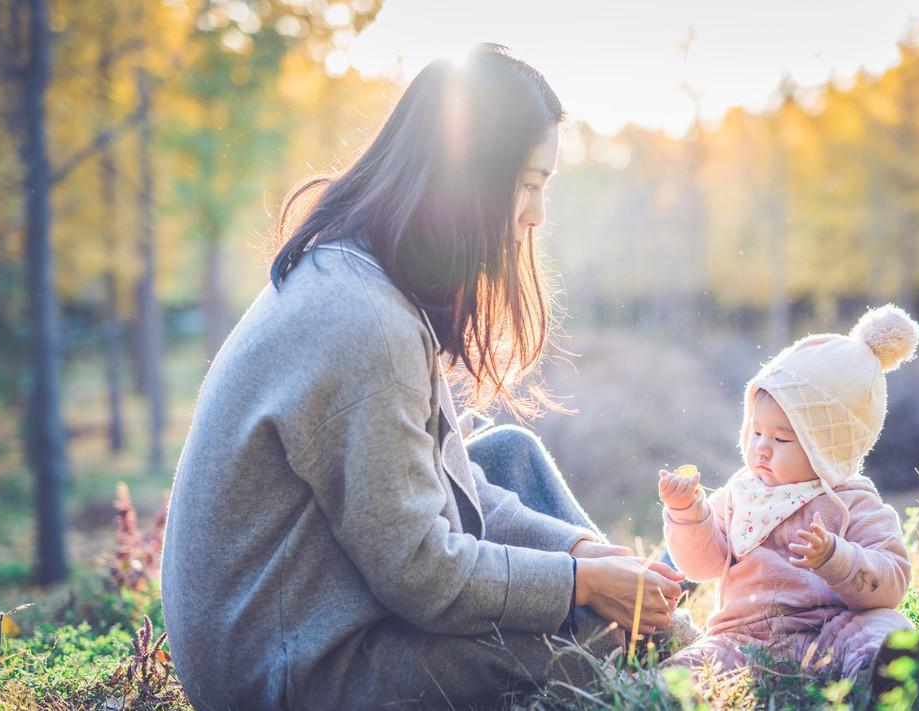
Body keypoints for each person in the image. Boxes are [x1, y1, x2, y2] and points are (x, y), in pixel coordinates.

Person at [161, 43, 683, 710]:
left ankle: (656, 619)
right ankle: (677, 652)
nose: (535, 217)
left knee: (509, 456)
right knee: (596, 628)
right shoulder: (363, 326)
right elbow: (424, 574)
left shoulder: (360, 274)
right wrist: (579, 583)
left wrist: (581, 551)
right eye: (527, 184)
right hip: (292, 675)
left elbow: (442, 480)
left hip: (308, 614)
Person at [658, 304, 919, 692]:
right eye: (756, 433)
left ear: (828, 446)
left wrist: (837, 558)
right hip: (746, 638)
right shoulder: (741, 492)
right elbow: (702, 566)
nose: (762, 449)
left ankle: (883, 674)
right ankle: (662, 688)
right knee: (698, 662)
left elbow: (892, 579)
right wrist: (687, 514)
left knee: (885, 627)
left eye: (782, 438)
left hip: (835, 629)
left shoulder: (852, 499)